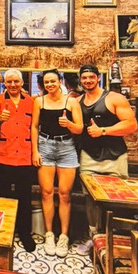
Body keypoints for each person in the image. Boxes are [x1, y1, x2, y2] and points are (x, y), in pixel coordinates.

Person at [73, 64, 138, 255]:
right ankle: (94, 237)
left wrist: (103, 130)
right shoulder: (77, 101)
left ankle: (114, 239)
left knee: (116, 198)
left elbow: (131, 125)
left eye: (91, 77)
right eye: (84, 78)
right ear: (80, 80)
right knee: (90, 198)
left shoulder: (114, 98)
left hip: (114, 155)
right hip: (88, 155)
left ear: (98, 78)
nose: (87, 81)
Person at [31, 69, 83, 257]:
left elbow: (79, 128)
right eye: (46, 82)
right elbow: (34, 127)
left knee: (64, 194)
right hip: (45, 146)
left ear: (60, 81)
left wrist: (68, 124)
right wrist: (35, 151)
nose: (50, 85)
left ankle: (64, 236)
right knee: (46, 193)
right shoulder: (39, 101)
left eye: (53, 81)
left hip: (66, 148)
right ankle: (49, 234)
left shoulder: (71, 102)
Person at [0, 69, 36, 252]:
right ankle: (0, 231)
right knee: (1, 195)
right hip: (3, 155)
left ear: (22, 83)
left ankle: (25, 233)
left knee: (25, 197)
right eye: (9, 82)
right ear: (4, 83)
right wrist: (0, 119)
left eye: (16, 81)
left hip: (24, 156)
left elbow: (35, 127)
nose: (13, 85)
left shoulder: (31, 102)